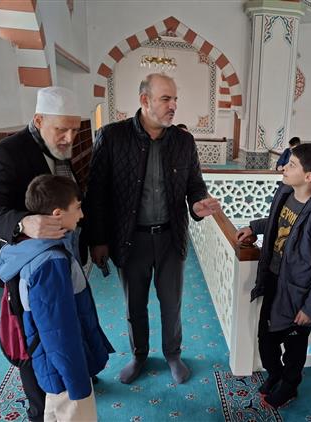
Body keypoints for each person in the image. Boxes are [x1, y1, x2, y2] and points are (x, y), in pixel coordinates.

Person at [86, 73, 221, 385]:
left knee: (172, 304)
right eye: (166, 99)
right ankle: (139, 355)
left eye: (175, 99)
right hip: (130, 239)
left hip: (171, 238)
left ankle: (173, 354)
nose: (173, 105)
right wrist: (98, 239)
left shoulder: (183, 141)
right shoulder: (112, 137)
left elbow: (195, 185)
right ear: (145, 100)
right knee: (135, 305)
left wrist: (198, 205)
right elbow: (96, 194)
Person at [0, 86, 84, 422]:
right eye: (61, 129)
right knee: (33, 341)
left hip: (62, 257)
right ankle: (39, 409)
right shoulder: (6, 152)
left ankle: (71, 379)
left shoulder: (62, 148)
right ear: (38, 120)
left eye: (75, 129)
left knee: (65, 327)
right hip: (27, 269)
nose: (69, 137)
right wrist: (23, 222)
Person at [0, 175, 112, 422]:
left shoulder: (32, 247)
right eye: (77, 207)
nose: (82, 215)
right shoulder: (51, 263)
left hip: (55, 364)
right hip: (65, 368)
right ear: (58, 214)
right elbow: (58, 331)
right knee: (75, 414)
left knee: (55, 412)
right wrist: (77, 380)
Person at [236, 143, 311, 408]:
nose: (283, 168)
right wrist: (254, 227)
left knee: (294, 347)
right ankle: (276, 375)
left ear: (308, 176)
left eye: (291, 165)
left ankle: (289, 386)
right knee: (266, 338)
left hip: (299, 293)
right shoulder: (286, 193)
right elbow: (278, 222)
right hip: (274, 279)